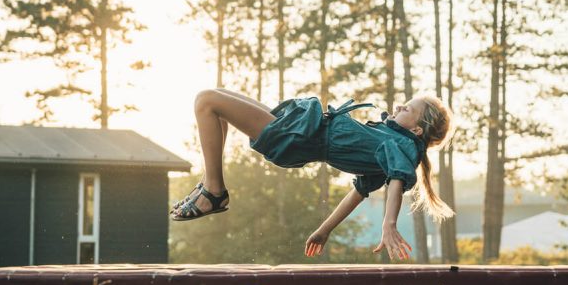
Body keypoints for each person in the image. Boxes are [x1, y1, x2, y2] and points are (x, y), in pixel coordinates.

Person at [170, 89, 456, 260]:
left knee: (206, 101)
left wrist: (388, 224)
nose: (398, 106)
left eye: (407, 108)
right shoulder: (388, 139)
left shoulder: (401, 145)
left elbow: (397, 180)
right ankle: (211, 186)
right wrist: (324, 230)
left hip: (297, 137)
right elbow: (356, 194)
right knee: (216, 99)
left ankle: (213, 191)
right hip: (301, 126)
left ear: (417, 130)